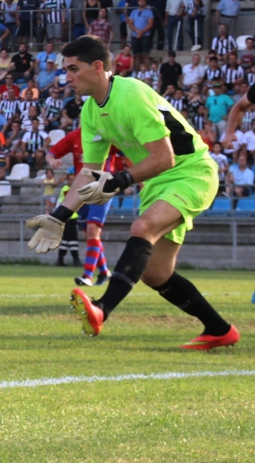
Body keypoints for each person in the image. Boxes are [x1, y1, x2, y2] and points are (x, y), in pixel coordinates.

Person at [26, 36, 239, 350]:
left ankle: (102, 308)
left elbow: (164, 157)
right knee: (156, 273)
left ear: (98, 67)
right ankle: (220, 330)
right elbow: (89, 172)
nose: (67, 77)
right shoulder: (90, 112)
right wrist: (60, 215)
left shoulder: (131, 93)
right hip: (157, 182)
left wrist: (118, 180)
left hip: (191, 171)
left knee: (142, 228)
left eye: (73, 68)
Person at [47, 128, 119, 286]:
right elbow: (51, 152)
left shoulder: (107, 132)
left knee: (93, 230)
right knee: (90, 235)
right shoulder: (75, 136)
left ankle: (87, 275)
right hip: (83, 189)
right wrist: (51, 160)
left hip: (103, 186)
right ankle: (105, 271)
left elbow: (126, 151)